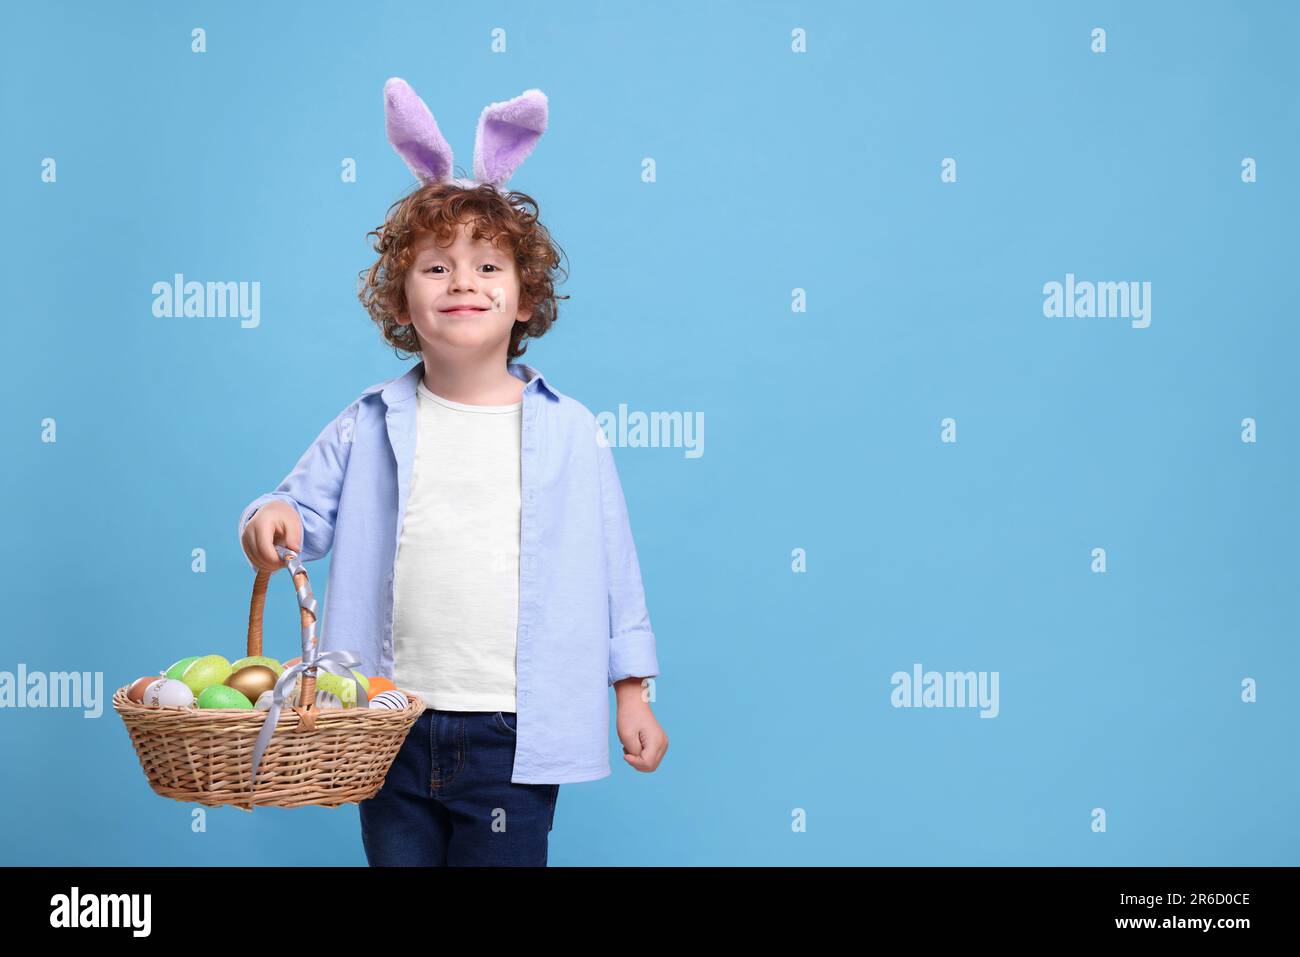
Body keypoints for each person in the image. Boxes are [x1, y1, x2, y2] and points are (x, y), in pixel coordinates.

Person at [238, 85, 667, 863]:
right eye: (436, 267)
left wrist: (631, 688)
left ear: (525, 297)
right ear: (401, 303)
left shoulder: (570, 431)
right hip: (384, 723)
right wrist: (270, 520)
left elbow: (615, 568)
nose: (462, 282)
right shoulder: (368, 421)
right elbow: (295, 511)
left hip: (514, 733)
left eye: (487, 265)